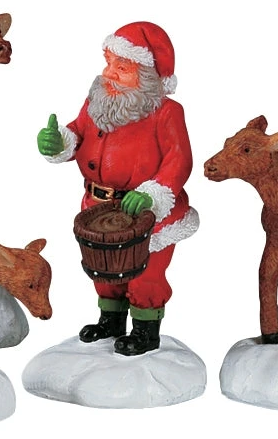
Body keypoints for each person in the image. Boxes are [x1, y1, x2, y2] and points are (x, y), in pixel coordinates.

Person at [37, 21, 199, 355]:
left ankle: (145, 330)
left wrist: (152, 194)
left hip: (146, 213)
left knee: (144, 273)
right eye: (109, 62)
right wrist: (60, 142)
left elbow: (179, 161)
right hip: (97, 207)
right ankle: (110, 321)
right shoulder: (98, 100)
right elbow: (78, 130)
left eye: (122, 67)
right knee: (104, 271)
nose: (109, 73)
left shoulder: (167, 113)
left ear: (148, 77)